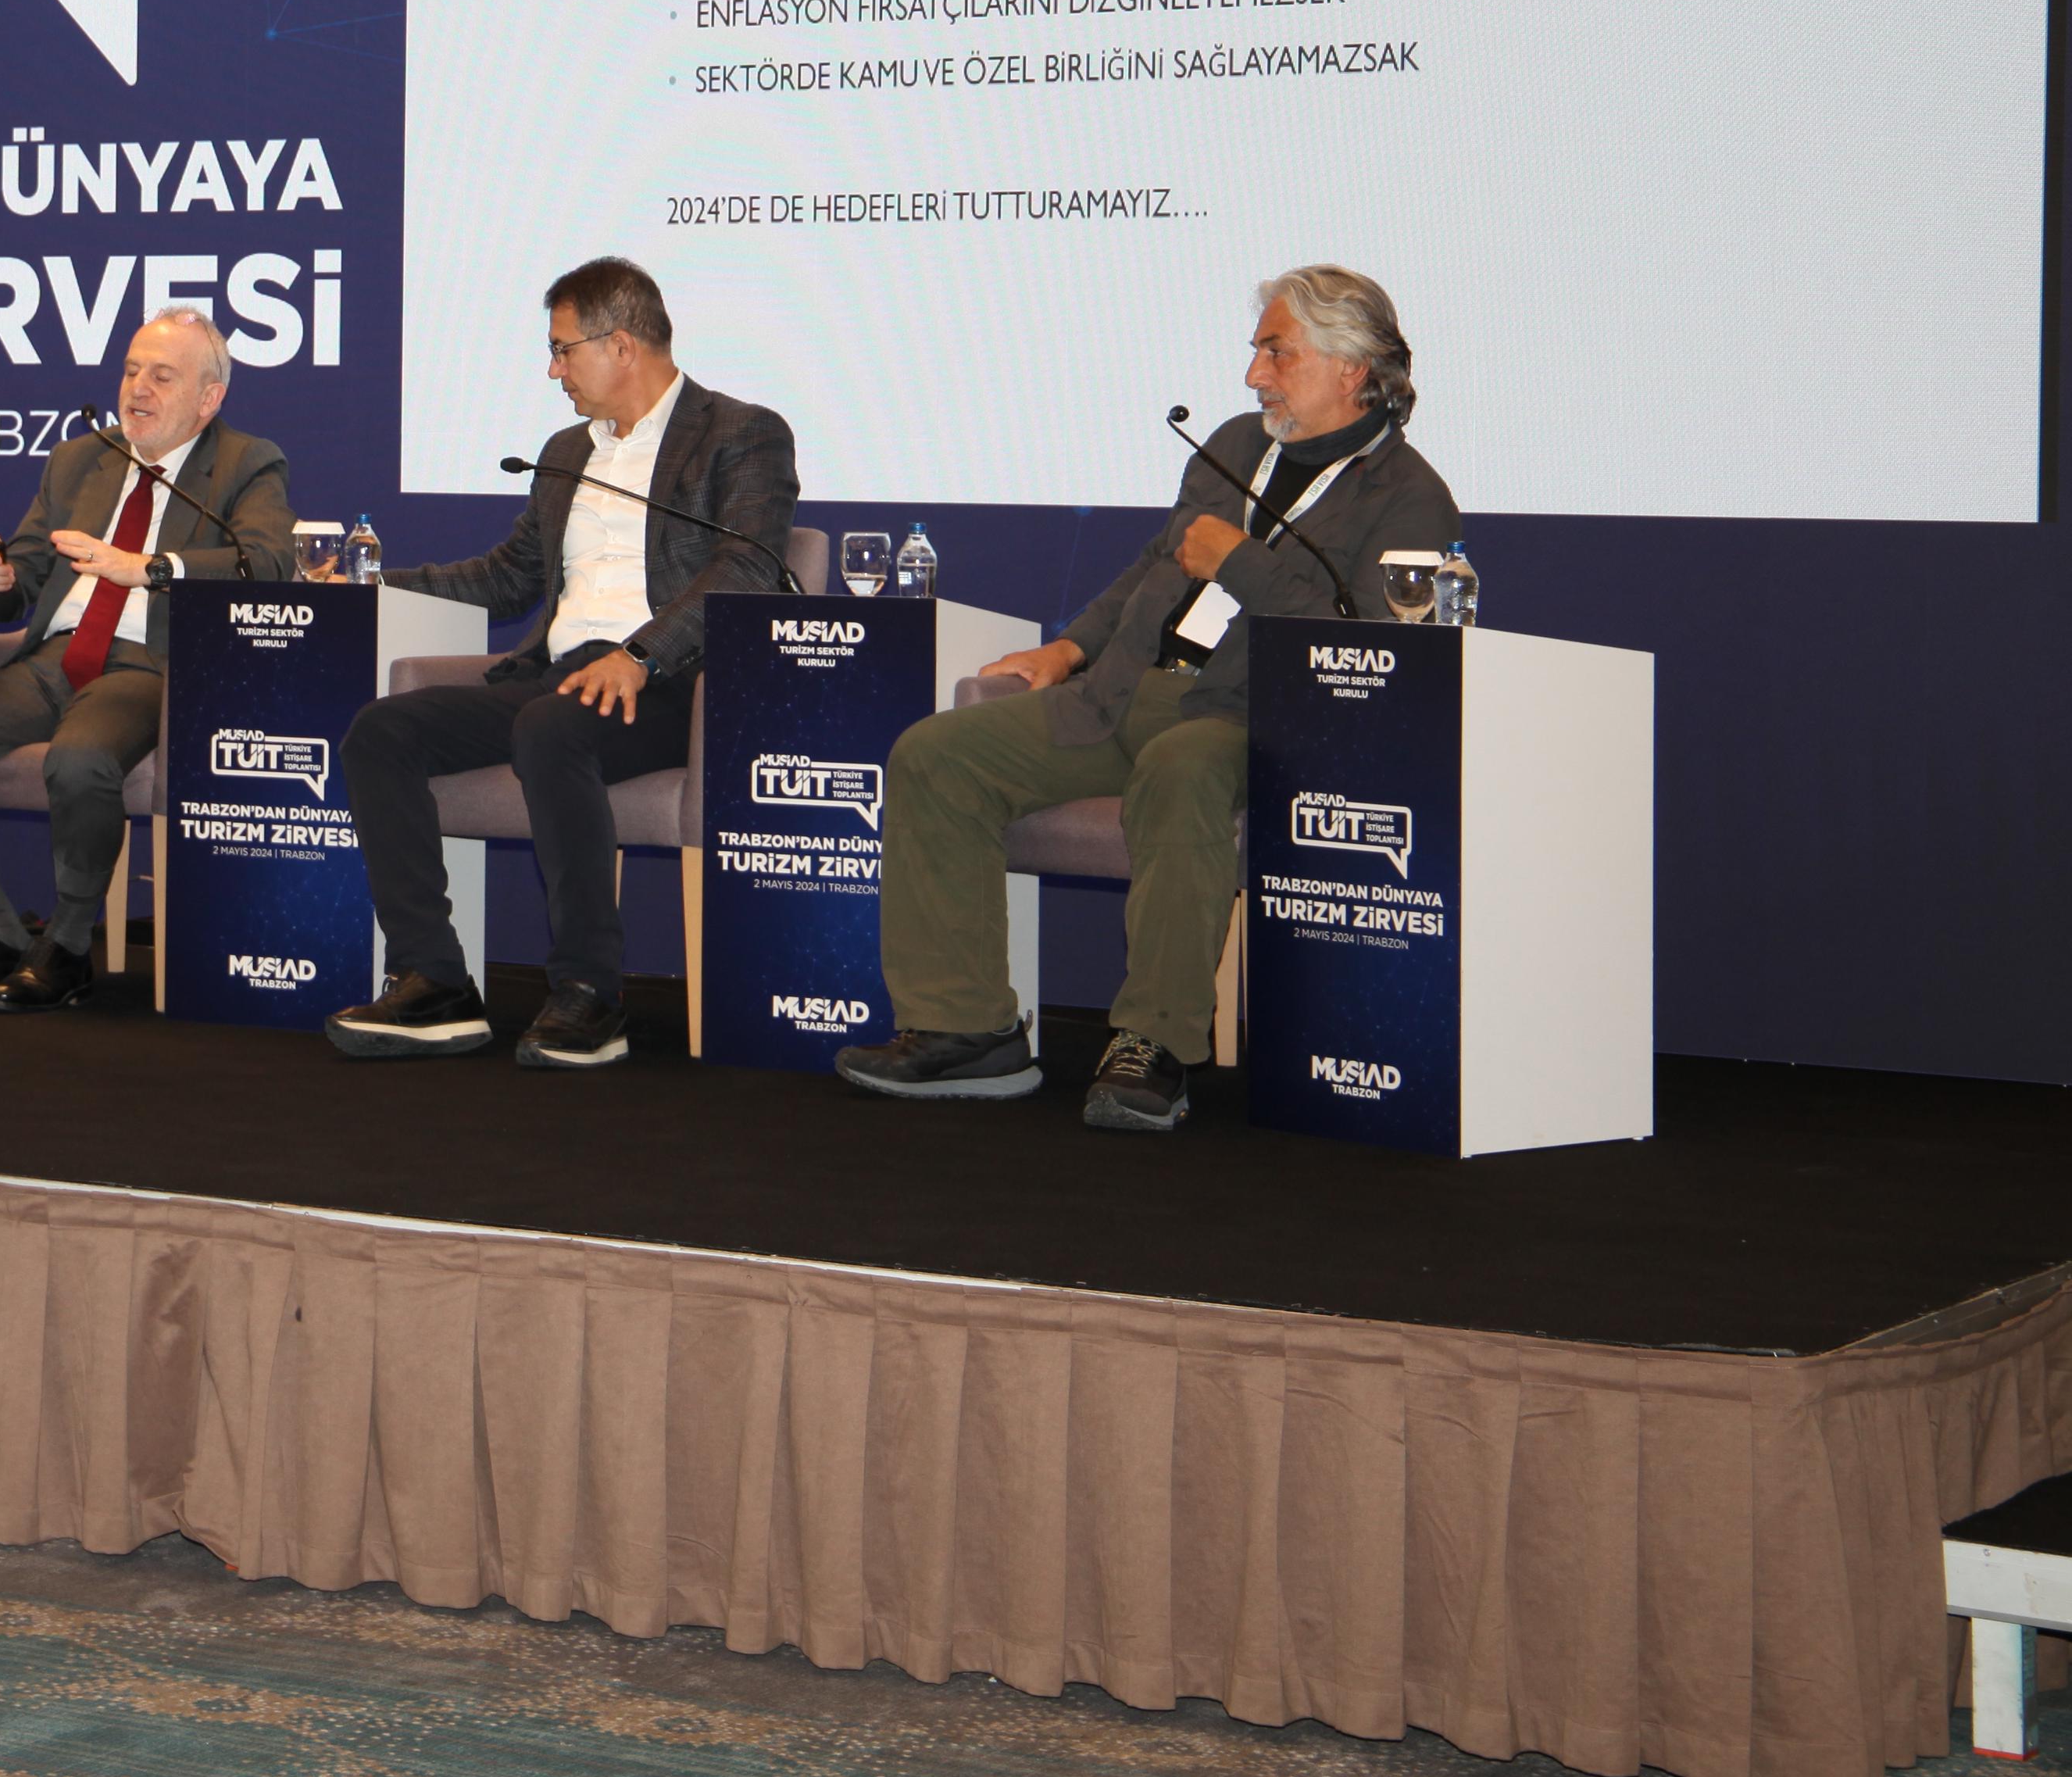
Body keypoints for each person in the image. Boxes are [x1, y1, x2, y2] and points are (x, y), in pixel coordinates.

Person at [841, 266, 1459, 1133]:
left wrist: (1239, 563)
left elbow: (1367, 650)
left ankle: (1153, 1045)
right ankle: (966, 1031)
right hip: (1120, 694)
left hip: (1247, 718)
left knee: (1180, 769)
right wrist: (1069, 647)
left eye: (1276, 353)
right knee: (936, 753)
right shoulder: (1236, 444)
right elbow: (1152, 564)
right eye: (1257, 353)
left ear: (1350, 366)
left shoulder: (1409, 498)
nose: (1253, 375)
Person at [324, 256, 798, 1069]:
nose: (553, 370)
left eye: (561, 349)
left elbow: (748, 568)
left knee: (551, 727)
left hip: (675, 685)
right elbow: (508, 575)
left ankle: (589, 994)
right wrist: (372, 585)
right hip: (561, 678)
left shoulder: (740, 433)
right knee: (383, 731)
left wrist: (640, 655)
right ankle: (434, 981)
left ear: (621, 346)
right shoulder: (565, 451)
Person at [0, 309, 298, 1013]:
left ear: (209, 397)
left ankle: (67, 946)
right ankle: (2, 934)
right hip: (53, 660)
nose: (138, 389)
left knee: (79, 760)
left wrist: (147, 567)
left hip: (148, 664)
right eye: (131, 371)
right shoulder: (80, 459)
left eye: (162, 376)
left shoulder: (246, 462)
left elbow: (268, 562)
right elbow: (26, 573)